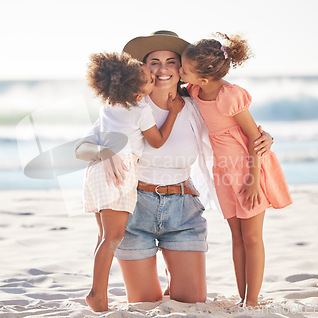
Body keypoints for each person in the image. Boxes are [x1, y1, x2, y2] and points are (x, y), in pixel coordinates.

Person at [75, 31, 274, 307]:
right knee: (144, 303)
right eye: (154, 61)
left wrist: (264, 137)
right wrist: (102, 151)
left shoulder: (195, 105)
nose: (162, 69)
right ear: (142, 67)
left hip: (183, 211)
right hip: (136, 212)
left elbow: (233, 128)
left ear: (182, 70)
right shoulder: (126, 106)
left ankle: (175, 274)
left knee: (191, 302)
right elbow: (80, 149)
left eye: (171, 61)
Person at [179, 33, 292, 307]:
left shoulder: (230, 96)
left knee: (252, 237)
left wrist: (254, 181)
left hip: (247, 171)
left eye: (183, 69)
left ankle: (252, 301)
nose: (179, 72)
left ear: (204, 78)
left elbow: (255, 139)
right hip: (223, 173)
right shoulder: (195, 90)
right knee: (237, 237)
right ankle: (243, 298)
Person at [82, 51, 184, 312]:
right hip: (120, 170)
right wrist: (172, 112)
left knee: (104, 236)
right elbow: (157, 141)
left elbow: (84, 146)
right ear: (139, 93)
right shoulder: (141, 109)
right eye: (150, 79)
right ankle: (97, 295)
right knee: (113, 237)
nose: (154, 79)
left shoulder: (109, 107)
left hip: (97, 169)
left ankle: (98, 291)